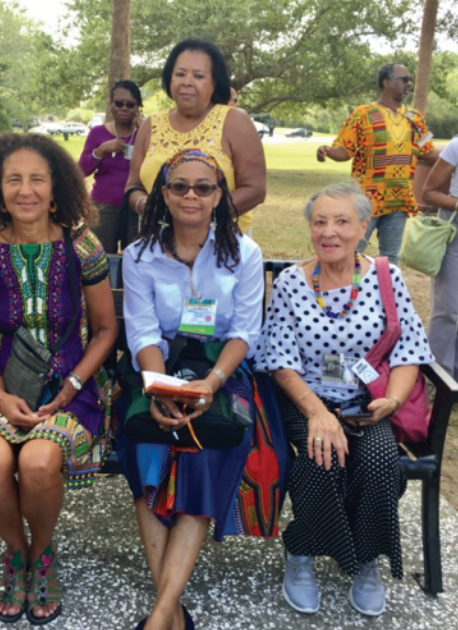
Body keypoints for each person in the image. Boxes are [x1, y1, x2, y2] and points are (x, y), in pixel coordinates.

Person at [0, 133, 117, 625]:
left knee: (42, 463)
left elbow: (106, 329)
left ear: (56, 187)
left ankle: (42, 554)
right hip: (0, 382)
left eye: (37, 179)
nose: (26, 190)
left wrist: (71, 386)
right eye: (13, 180)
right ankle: (18, 552)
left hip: (74, 385)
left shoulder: (82, 245)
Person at [256, 182, 433, 617]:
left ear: (363, 227)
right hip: (306, 400)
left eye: (341, 222)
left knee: (378, 463)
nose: (329, 232)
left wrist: (391, 401)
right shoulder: (292, 284)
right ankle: (300, 552)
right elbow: (280, 361)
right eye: (320, 222)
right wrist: (318, 413)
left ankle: (366, 559)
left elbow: (409, 348)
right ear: (310, 229)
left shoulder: (385, 276)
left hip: (367, 402)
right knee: (321, 456)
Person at [119, 149, 265, 630]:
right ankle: (172, 613)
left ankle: (161, 614)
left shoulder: (244, 253)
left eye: (204, 187)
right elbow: (141, 331)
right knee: (146, 442)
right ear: (163, 193)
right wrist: (161, 388)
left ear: (220, 195)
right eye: (179, 185)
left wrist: (210, 383)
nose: (191, 195)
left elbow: (244, 331)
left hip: (220, 373)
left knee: (205, 450)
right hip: (156, 369)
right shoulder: (140, 254)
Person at [125, 38, 265, 240]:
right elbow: (133, 186)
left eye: (198, 76)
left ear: (214, 83)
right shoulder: (150, 125)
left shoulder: (235, 121)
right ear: (169, 78)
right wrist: (146, 206)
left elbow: (255, 190)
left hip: (223, 247)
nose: (187, 82)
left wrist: (193, 220)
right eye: (180, 74)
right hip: (159, 244)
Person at [316, 63, 439, 264]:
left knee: (390, 260)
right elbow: (345, 150)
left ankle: (385, 295)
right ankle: (344, 292)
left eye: (410, 80)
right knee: (349, 253)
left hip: (398, 201)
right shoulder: (363, 114)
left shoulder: (414, 118)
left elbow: (427, 151)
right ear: (387, 82)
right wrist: (327, 151)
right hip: (365, 201)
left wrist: (453, 156)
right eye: (404, 79)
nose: (409, 83)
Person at [78, 80, 143, 253]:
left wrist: (145, 132)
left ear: (138, 108)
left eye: (130, 105)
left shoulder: (145, 133)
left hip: (136, 207)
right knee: (100, 257)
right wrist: (100, 151)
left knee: (136, 259)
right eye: (119, 103)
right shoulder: (98, 133)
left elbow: (158, 166)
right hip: (104, 207)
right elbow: (81, 170)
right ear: (111, 104)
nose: (124, 108)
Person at [422, 136, 458, 378]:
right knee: (448, 309)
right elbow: (429, 192)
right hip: (454, 234)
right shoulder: (456, 146)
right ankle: (440, 378)